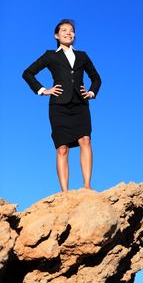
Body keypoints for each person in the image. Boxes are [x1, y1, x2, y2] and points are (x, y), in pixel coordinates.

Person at [22, 19, 101, 191]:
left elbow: (96, 78)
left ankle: (87, 186)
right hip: (58, 106)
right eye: (64, 30)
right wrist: (43, 90)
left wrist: (91, 92)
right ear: (56, 35)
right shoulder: (51, 55)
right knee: (62, 149)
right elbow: (27, 73)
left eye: (71, 30)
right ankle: (64, 192)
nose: (68, 33)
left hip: (80, 104)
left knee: (85, 140)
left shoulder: (82, 56)